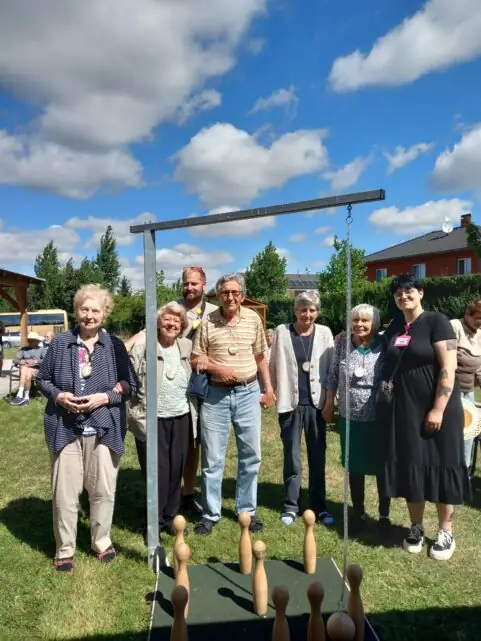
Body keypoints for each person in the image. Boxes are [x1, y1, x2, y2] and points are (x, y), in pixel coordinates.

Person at [37, 284, 137, 574]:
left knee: (103, 489)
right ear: (76, 311)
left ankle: (101, 541)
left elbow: (130, 385)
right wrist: (59, 396)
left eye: (96, 310)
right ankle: (65, 548)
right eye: (84, 309)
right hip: (65, 426)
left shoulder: (115, 346)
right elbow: (42, 379)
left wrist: (105, 397)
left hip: (104, 427)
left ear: (104, 314)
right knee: (65, 494)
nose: (89, 315)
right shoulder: (60, 343)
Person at [378, 274, 469, 561]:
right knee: (412, 465)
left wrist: (438, 408)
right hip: (405, 410)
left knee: (443, 466)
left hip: (438, 408)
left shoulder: (436, 321)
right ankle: (416, 527)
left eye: (409, 290)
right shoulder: (396, 326)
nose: (403, 296)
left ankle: (445, 532)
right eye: (398, 293)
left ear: (421, 293)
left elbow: (448, 366)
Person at [124, 266, 216, 515]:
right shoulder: (172, 308)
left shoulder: (214, 312)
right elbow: (147, 332)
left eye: (194, 283)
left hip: (205, 385)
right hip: (170, 386)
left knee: (192, 445)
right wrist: (126, 345)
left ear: (204, 284)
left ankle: (187, 494)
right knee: (168, 453)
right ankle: (161, 507)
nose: (189, 287)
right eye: (186, 283)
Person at [191, 273, 275, 536]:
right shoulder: (208, 321)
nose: (230, 297)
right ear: (218, 295)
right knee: (212, 458)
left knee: (251, 455)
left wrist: (268, 389)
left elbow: (260, 357)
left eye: (234, 292)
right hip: (215, 395)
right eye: (225, 292)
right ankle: (210, 514)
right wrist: (219, 369)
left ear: (242, 295)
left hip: (248, 392)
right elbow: (196, 359)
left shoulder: (253, 319)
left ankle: (246, 510)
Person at [129, 303, 198, 536]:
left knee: (176, 469)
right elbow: (128, 375)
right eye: (167, 319)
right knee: (157, 471)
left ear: (182, 326)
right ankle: (154, 521)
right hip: (152, 419)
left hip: (181, 416)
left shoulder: (186, 346)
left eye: (177, 321)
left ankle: (170, 518)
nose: (171, 324)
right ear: (158, 323)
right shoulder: (144, 347)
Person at [269, 291, 335, 527]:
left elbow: (331, 371)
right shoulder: (282, 331)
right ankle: (291, 505)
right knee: (292, 457)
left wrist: (330, 403)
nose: (307, 314)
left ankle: (319, 506)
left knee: (318, 457)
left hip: (317, 405)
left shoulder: (325, 332)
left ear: (317, 312)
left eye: (312, 310)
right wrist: (271, 391)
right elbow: (272, 364)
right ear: (295, 311)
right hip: (290, 403)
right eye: (303, 309)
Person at [325, 304, 390, 531]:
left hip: (377, 418)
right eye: (355, 320)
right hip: (349, 417)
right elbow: (333, 374)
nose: (359, 324)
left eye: (365, 320)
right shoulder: (343, 341)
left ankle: (384, 515)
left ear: (375, 323)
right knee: (354, 465)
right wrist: (329, 404)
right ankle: (358, 512)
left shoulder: (385, 343)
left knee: (381, 466)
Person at [450, 300, 481, 474]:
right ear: (467, 315)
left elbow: (479, 369)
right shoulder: (455, 326)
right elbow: (445, 358)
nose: (480, 322)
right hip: (449, 390)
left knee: (468, 434)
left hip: (468, 393)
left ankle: (464, 474)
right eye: (478, 317)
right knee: (451, 433)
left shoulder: (480, 334)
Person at [9, 331, 46, 406]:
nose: (30, 342)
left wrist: (35, 361)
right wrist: (21, 361)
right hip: (25, 371)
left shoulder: (41, 349)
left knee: (25, 370)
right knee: (26, 371)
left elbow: (46, 360)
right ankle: (25, 398)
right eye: (29, 340)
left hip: (36, 371)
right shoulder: (24, 349)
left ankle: (20, 395)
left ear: (37, 341)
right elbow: (15, 360)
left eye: (32, 340)